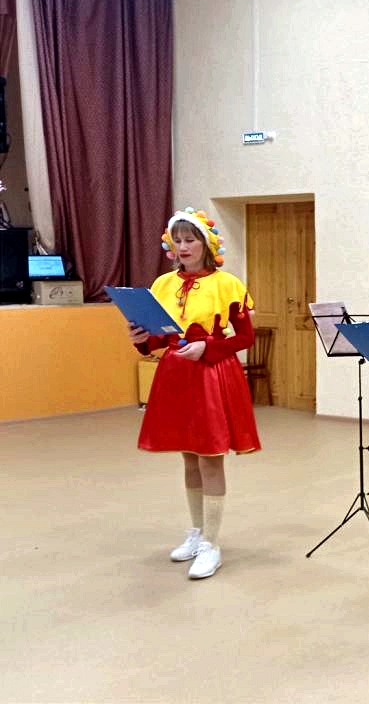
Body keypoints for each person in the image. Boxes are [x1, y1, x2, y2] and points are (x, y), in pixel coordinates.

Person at [128, 207, 261, 579]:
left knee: (210, 457)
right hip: (176, 374)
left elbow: (245, 337)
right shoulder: (162, 285)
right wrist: (141, 340)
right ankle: (197, 531)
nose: (183, 247)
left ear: (206, 244)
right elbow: (159, 337)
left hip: (211, 374)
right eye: (178, 240)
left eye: (190, 240)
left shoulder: (227, 284)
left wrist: (209, 348)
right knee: (189, 458)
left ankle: (211, 544)